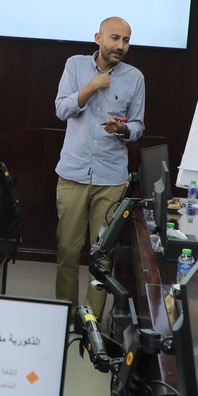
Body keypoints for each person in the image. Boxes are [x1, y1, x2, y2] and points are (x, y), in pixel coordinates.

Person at [54, 16, 144, 307]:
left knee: (103, 255)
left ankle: (92, 321)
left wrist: (123, 129)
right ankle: (66, 316)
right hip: (73, 174)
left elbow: (138, 126)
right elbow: (61, 110)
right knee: (67, 251)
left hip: (111, 178)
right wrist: (91, 87)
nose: (120, 45)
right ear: (99, 38)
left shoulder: (135, 77)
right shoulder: (75, 65)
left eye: (126, 40)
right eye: (115, 38)